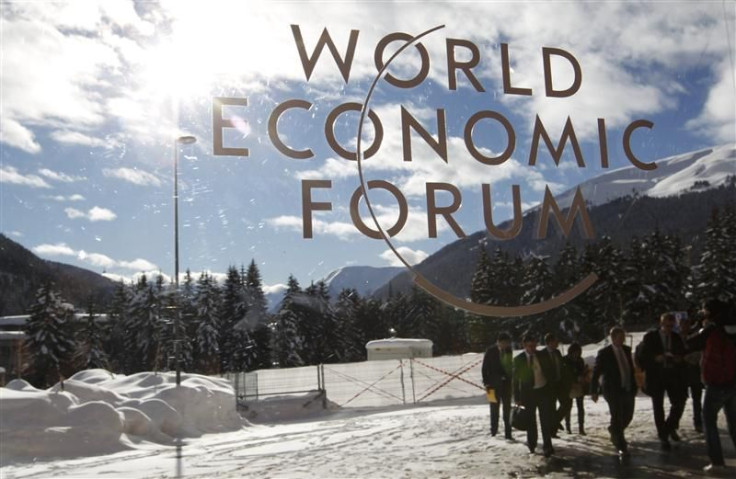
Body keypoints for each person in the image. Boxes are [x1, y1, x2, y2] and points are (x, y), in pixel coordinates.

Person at [686, 299, 736, 474]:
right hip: (733, 382)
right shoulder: (731, 326)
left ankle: (717, 462)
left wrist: (700, 327)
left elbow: (690, 343)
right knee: (734, 423)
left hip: (716, 383)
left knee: (709, 421)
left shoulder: (712, 329)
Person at [635, 312, 688, 450]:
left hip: (672, 374)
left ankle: (669, 427)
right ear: (661, 324)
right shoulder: (651, 337)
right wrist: (655, 358)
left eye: (671, 326)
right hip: (656, 375)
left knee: (679, 401)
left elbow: (682, 353)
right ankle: (663, 435)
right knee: (658, 406)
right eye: (666, 325)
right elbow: (641, 354)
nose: (669, 328)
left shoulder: (676, 337)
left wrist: (678, 359)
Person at [591, 326, 637, 456]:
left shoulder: (627, 350)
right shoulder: (605, 353)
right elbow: (596, 372)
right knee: (617, 416)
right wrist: (594, 390)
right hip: (612, 390)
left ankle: (614, 431)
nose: (622, 340)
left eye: (623, 337)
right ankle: (620, 444)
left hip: (627, 388)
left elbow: (630, 368)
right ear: (613, 338)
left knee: (628, 415)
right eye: (620, 337)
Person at [513, 333, 555, 457]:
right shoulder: (519, 359)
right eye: (529, 346)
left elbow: (550, 371)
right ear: (524, 345)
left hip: (542, 391)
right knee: (531, 421)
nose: (532, 348)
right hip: (528, 394)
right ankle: (532, 444)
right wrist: (517, 398)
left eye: (534, 345)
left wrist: (551, 389)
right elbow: (515, 380)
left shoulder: (542, 355)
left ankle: (548, 445)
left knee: (545, 420)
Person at [481, 331, 514, 439]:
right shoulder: (490, 351)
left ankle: (508, 432)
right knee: (494, 409)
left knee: (507, 409)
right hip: (491, 386)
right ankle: (494, 431)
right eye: (504, 343)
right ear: (498, 342)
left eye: (507, 343)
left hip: (506, 385)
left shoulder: (509, 351)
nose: (506, 345)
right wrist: (486, 383)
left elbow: (509, 366)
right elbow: (484, 368)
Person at [537, 332, 567, 438]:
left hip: (559, 384)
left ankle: (555, 421)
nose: (557, 343)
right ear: (549, 342)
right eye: (555, 341)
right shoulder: (541, 354)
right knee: (551, 408)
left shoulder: (557, 352)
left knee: (566, 404)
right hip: (549, 386)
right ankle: (552, 432)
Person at [678, 314, 704, 433]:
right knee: (680, 400)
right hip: (681, 374)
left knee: (697, 399)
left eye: (687, 325)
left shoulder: (696, 337)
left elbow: (701, 352)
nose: (685, 327)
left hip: (694, 372)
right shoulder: (676, 338)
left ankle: (698, 421)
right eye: (683, 325)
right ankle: (675, 423)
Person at [561, 342, 588, 435]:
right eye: (575, 352)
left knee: (580, 407)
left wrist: (583, 375)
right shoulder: (565, 360)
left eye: (578, 352)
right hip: (569, 386)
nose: (576, 354)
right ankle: (568, 427)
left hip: (579, 385)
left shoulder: (580, 360)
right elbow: (564, 373)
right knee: (568, 407)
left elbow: (581, 371)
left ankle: (581, 427)